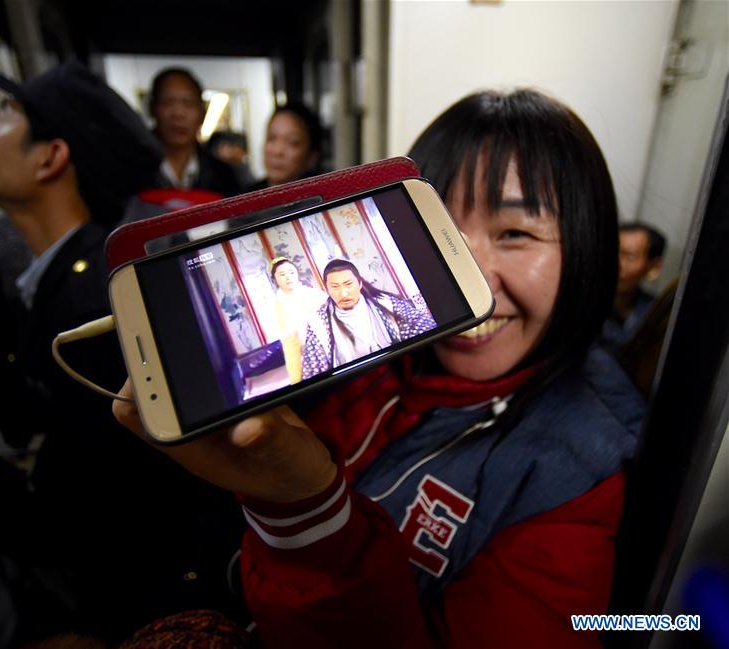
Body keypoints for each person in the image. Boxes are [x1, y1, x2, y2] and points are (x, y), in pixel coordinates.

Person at [113, 88, 645, 648]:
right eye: (442, 226)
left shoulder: (583, 470)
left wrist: (307, 518)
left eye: (515, 233)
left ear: (587, 248)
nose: (473, 274)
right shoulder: (377, 351)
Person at [0, 55, 242, 640]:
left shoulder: (97, 300)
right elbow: (40, 411)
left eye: (4, 118)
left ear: (50, 157)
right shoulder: (56, 274)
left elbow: (96, 510)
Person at [301, 259, 437, 380]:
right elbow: (314, 372)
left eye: (348, 284)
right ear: (327, 289)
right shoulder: (318, 323)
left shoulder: (386, 303)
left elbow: (424, 328)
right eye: (335, 287)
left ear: (359, 283)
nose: (343, 293)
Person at [148, 68, 242, 197]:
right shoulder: (130, 172)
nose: (178, 114)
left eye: (188, 103)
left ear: (202, 113)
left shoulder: (223, 176)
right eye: (168, 102)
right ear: (152, 109)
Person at [600, 223, 666, 349]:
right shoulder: (584, 304)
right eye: (614, 252)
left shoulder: (654, 313)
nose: (618, 263)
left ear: (654, 267)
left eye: (629, 257)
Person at [269, 257, 327, 384]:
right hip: (309, 354)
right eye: (282, 274)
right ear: (274, 279)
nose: (288, 277)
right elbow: (290, 342)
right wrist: (296, 378)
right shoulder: (279, 305)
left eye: (291, 272)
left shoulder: (314, 294)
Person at [249, 102, 323, 190]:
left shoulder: (324, 195)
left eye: (292, 142)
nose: (277, 151)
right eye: (271, 138)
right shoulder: (246, 196)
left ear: (312, 157)